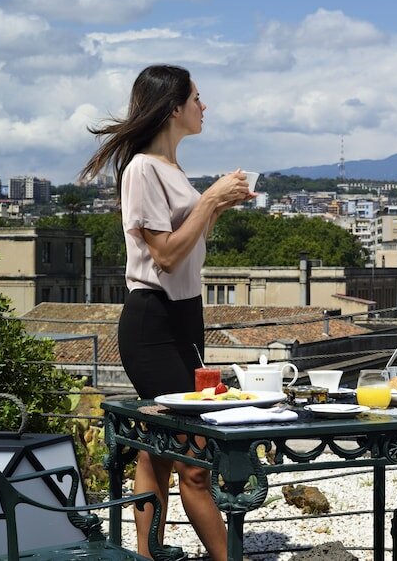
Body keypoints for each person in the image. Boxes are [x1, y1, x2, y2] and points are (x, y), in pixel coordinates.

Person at [81, 64, 253, 560]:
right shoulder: (141, 169)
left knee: (157, 447)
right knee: (195, 461)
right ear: (173, 107)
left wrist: (218, 205)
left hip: (185, 318)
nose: (205, 106)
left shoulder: (172, 170)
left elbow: (187, 244)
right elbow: (166, 255)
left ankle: (146, 553)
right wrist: (211, 200)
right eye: (197, 97)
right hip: (152, 322)